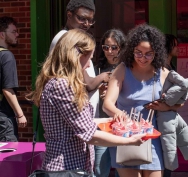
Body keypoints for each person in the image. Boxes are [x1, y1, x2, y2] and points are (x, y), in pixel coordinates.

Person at [26, 29, 144, 174]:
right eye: (88, 58)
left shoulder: (61, 82)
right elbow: (89, 134)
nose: (89, 65)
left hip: (73, 166)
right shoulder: (62, 85)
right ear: (75, 55)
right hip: (65, 168)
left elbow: (78, 123)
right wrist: (130, 140)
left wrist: (109, 122)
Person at [103, 24, 182, 177]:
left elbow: (180, 102)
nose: (142, 58)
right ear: (131, 50)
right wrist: (120, 114)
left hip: (152, 138)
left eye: (148, 54)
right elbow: (107, 104)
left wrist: (165, 107)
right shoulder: (122, 69)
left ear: (156, 53)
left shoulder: (163, 73)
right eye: (138, 53)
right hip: (126, 137)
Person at [49, 0, 110, 117]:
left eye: (90, 20)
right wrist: (104, 76)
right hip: (77, 119)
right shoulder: (66, 39)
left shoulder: (71, 37)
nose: (87, 24)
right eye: (82, 18)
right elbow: (87, 83)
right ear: (69, 15)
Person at [94, 29, 125, 177]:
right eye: (106, 47)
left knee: (123, 168)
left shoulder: (127, 68)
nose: (110, 51)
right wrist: (98, 92)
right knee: (100, 169)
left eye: (114, 47)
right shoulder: (97, 70)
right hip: (102, 123)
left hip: (121, 123)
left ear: (121, 47)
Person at [0, 16, 27, 141]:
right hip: (4, 117)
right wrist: (20, 114)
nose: (17, 34)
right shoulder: (6, 56)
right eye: (13, 31)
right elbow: (7, 89)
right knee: (8, 156)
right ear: (2, 35)